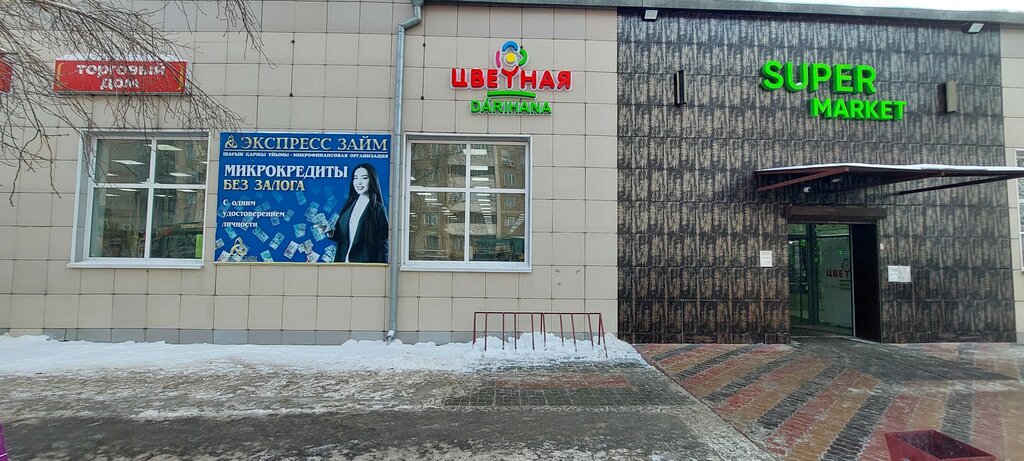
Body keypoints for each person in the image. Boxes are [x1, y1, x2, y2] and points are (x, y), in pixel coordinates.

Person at [321, 163, 388, 263]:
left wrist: (379, 269)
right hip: (342, 263)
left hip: (364, 266)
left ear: (372, 180)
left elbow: (382, 245)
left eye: (364, 178)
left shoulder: (379, 209)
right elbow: (342, 237)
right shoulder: (349, 204)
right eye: (355, 178)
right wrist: (330, 232)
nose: (359, 182)